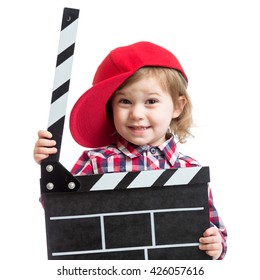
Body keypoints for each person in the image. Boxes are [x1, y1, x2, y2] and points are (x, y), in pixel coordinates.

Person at [34, 41, 227, 259]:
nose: (136, 113)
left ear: (177, 106)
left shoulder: (190, 169)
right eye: (125, 101)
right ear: (110, 108)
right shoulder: (96, 161)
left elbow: (215, 230)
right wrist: (50, 168)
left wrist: (216, 243)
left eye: (151, 101)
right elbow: (61, 212)